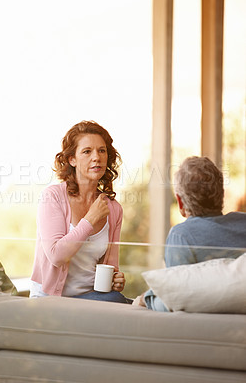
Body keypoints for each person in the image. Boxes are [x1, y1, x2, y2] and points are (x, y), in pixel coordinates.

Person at [30, 120, 130, 303]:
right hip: (51, 299)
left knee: (130, 305)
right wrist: (89, 220)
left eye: (102, 150)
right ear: (72, 159)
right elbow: (56, 255)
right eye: (87, 151)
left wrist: (116, 281)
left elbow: (110, 266)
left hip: (93, 297)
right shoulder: (52, 197)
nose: (96, 157)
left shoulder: (114, 209)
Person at [134, 156, 246, 310]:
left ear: (180, 202)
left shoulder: (181, 235)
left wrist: (146, 299)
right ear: (221, 194)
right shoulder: (243, 223)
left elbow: (175, 296)